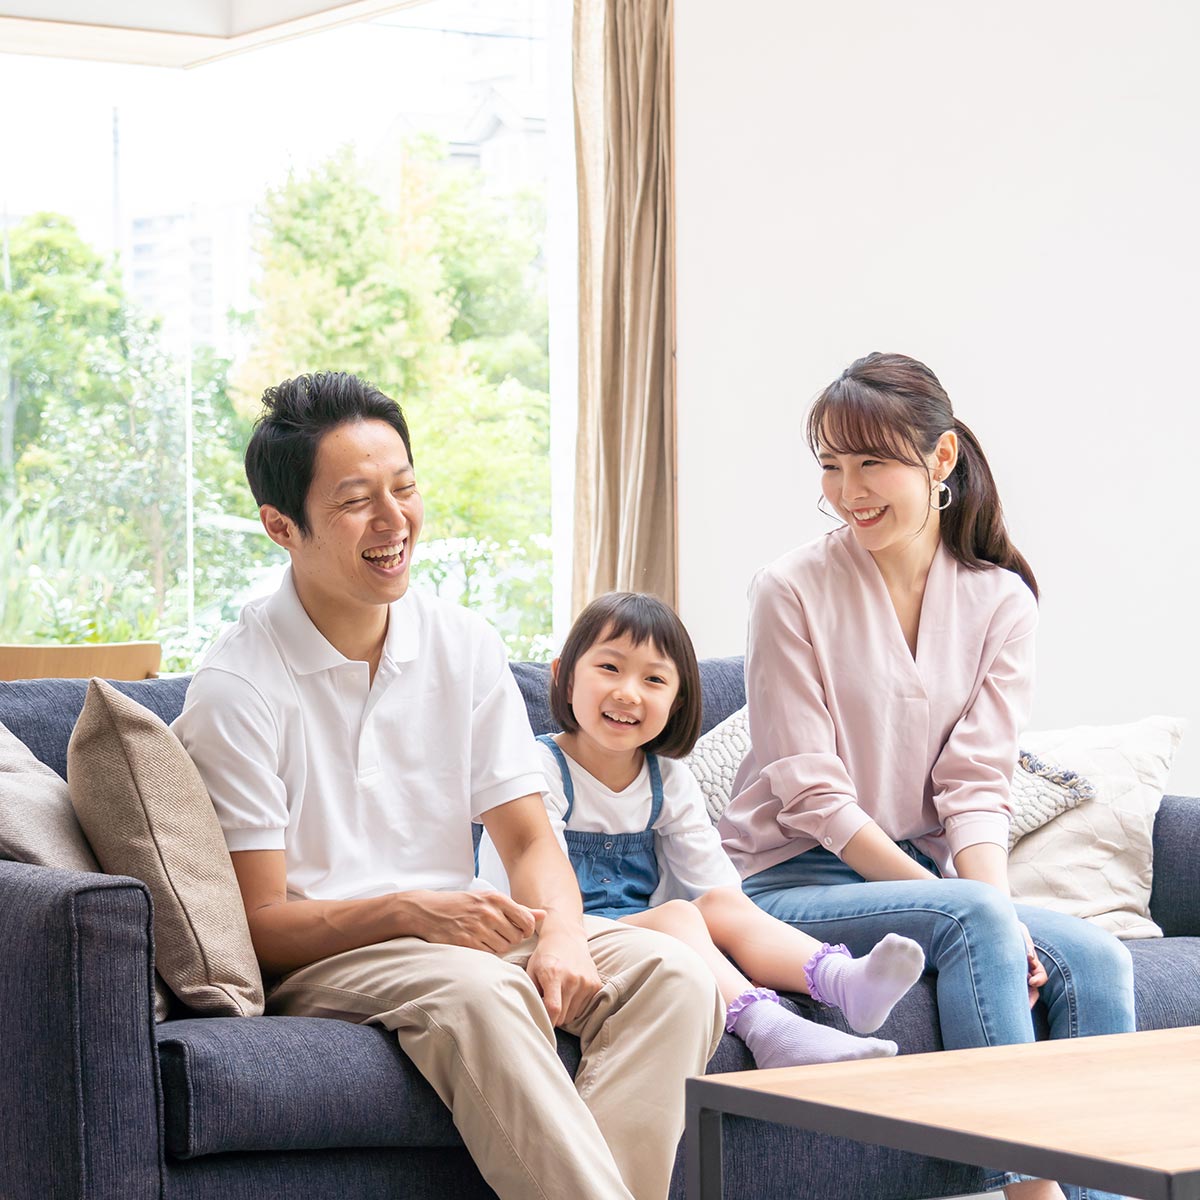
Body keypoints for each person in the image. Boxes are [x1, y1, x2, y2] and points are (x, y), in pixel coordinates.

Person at [173, 372, 724, 1200]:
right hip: (332, 956)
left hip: (459, 936)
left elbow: (529, 841)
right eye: (356, 501)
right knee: (484, 991)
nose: (394, 520)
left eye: (404, 488)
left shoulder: (461, 643)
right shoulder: (238, 687)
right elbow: (261, 924)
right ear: (281, 526)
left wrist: (564, 936)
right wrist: (410, 911)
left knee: (674, 975)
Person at [718, 352, 1135, 1200]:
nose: (848, 490)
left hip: (920, 878)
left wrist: (996, 909)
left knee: (1097, 959)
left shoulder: (1000, 601)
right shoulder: (789, 589)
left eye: (871, 462)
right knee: (977, 915)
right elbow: (814, 795)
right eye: (830, 466)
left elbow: (976, 788)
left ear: (940, 458)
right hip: (784, 880)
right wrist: (977, 909)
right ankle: (1033, 1196)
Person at [480, 591, 926, 1069]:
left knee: (720, 903)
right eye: (609, 668)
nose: (628, 693)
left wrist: (722, 927)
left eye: (654, 679)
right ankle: (772, 1032)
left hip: (637, 934)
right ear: (564, 678)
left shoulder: (667, 779)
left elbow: (713, 883)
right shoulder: (539, 766)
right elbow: (526, 887)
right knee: (678, 917)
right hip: (547, 936)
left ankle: (843, 981)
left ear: (677, 703)